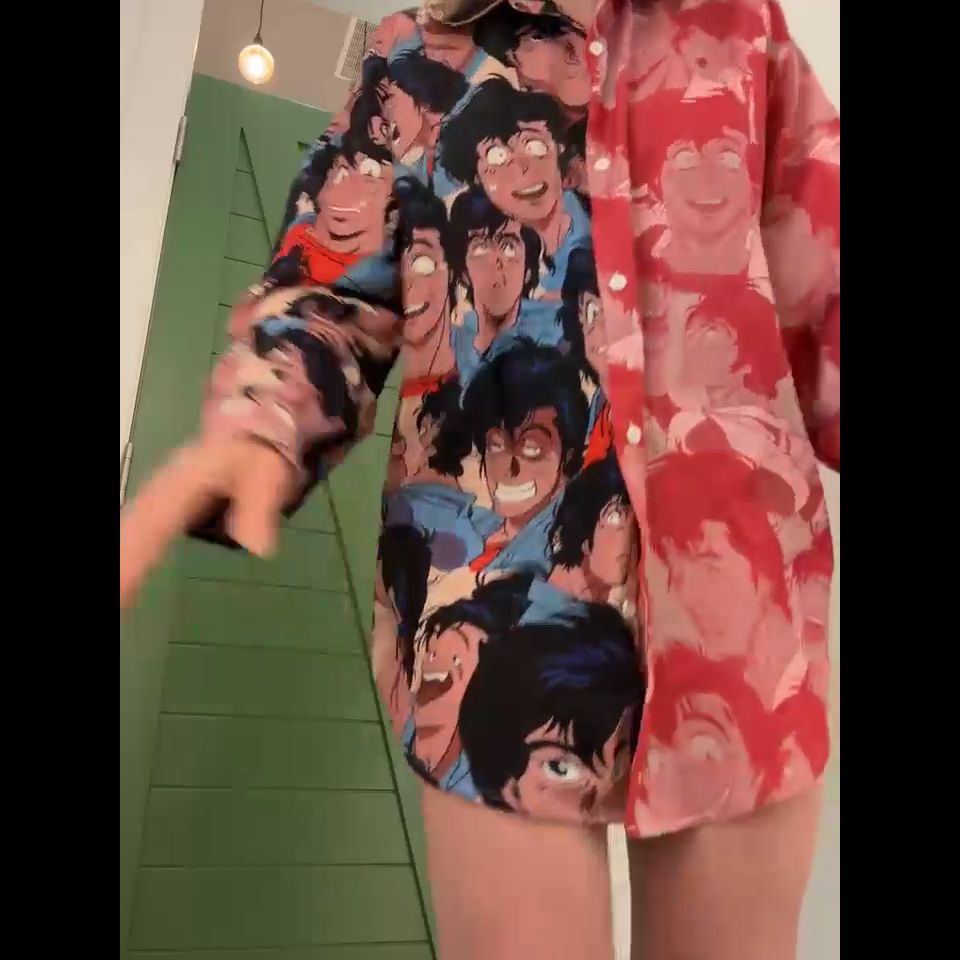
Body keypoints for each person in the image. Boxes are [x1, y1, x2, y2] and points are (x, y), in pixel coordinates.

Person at [120, 2, 839, 958]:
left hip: (744, 624)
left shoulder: (741, 32)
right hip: (490, 628)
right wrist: (265, 419)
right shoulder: (412, 61)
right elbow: (329, 294)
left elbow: (827, 282)